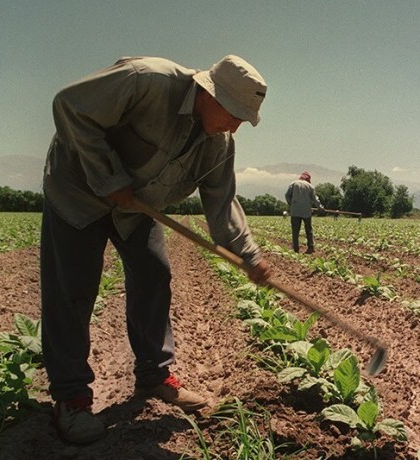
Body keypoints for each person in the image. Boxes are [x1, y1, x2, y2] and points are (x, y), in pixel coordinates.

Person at [41, 54, 272, 444]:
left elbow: (221, 202)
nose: (235, 124)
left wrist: (249, 256)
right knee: (73, 291)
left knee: (154, 274)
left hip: (136, 209)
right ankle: (72, 398)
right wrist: (108, 175)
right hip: (78, 194)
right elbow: (69, 105)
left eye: (243, 118)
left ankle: (154, 375)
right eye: (233, 112)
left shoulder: (218, 143)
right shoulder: (145, 80)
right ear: (206, 93)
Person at [285, 171, 324, 253]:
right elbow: (315, 199)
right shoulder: (310, 186)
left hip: (295, 211)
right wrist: (320, 208)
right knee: (308, 230)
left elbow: (287, 195)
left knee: (295, 231)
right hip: (306, 212)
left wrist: (291, 204)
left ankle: (296, 249)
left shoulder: (293, 184)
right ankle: (310, 247)